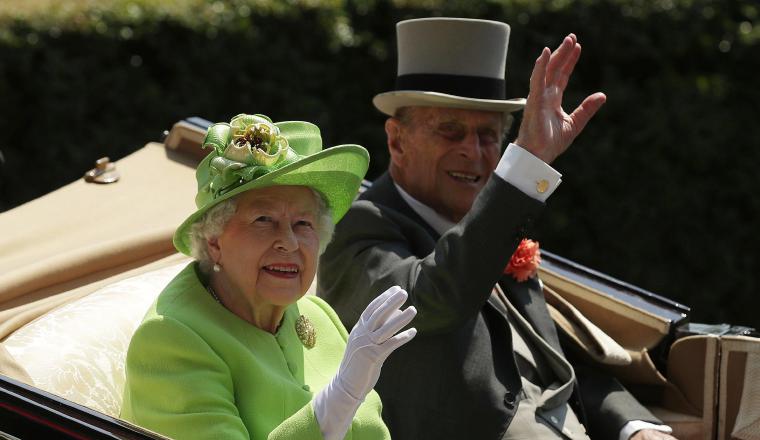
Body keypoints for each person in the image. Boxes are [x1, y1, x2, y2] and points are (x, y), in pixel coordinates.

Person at [318, 18, 677, 440]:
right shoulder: (361, 228)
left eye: (489, 136)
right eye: (450, 131)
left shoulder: (491, 226)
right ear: (397, 141)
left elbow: (549, 359)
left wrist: (633, 425)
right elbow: (435, 296)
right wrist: (525, 167)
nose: (472, 151)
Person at [120, 113, 418, 439]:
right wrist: (341, 397)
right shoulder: (171, 342)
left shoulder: (318, 316)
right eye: (264, 219)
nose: (289, 242)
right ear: (214, 241)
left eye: (303, 224)